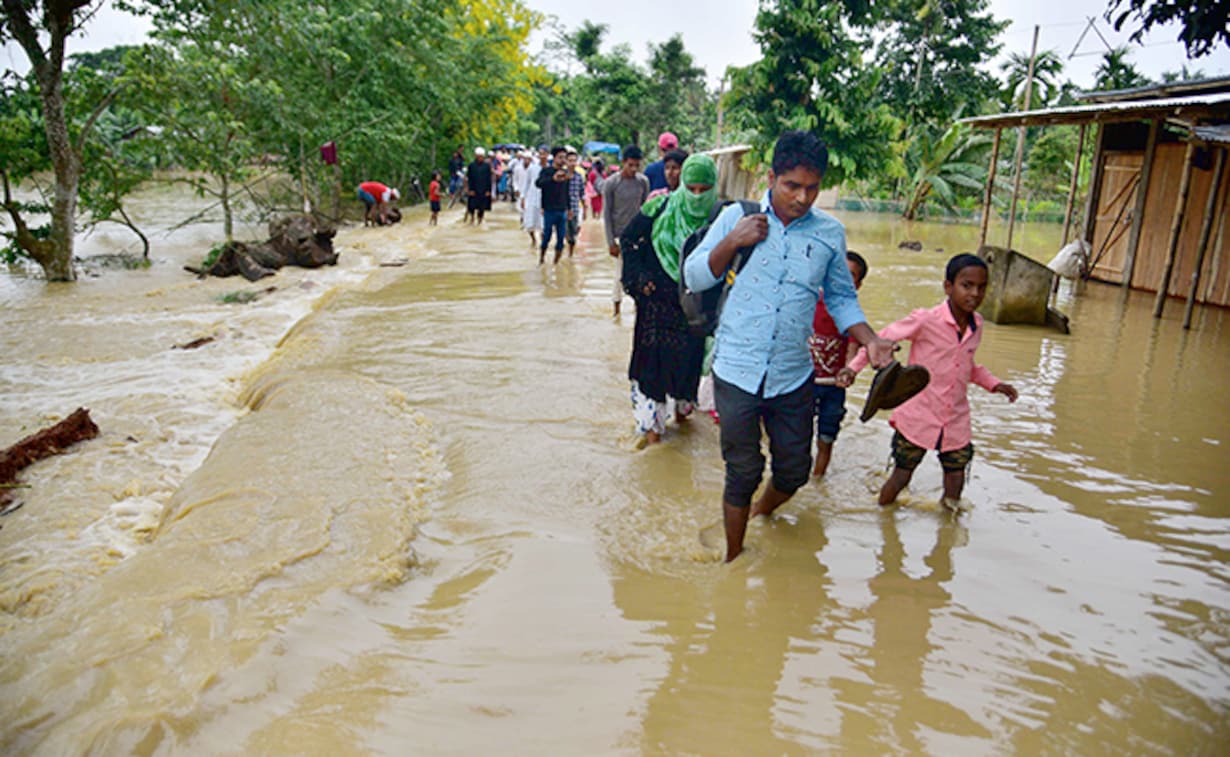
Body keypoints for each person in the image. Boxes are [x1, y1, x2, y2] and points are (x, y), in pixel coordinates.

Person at [682, 130, 895, 562]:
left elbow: (839, 297)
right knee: (742, 470)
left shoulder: (829, 234)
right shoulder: (735, 217)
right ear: (772, 177)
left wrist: (870, 339)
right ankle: (733, 559)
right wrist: (733, 241)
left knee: (795, 470)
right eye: (792, 185)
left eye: (812, 188)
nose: (802, 197)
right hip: (736, 368)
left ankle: (761, 511)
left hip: (792, 373)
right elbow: (694, 276)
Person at [847, 253, 1019, 510]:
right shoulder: (926, 320)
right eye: (966, 285)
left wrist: (994, 384)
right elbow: (878, 341)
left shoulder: (977, 324)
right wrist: (852, 369)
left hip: (955, 420)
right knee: (901, 476)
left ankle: (947, 534)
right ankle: (881, 516)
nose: (974, 293)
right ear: (948, 287)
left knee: (956, 478)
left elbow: (966, 366)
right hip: (919, 416)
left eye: (981, 287)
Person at [620, 154, 718, 445]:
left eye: (704, 189)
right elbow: (628, 240)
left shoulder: (720, 218)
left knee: (686, 368)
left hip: (693, 310)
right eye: (692, 189)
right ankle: (653, 436)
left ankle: (683, 417)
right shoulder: (658, 207)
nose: (697, 196)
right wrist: (640, 281)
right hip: (656, 307)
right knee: (653, 370)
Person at [809, 250, 868, 477]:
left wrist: (849, 371)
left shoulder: (852, 314)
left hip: (833, 387)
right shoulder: (810, 302)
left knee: (826, 437)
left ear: (858, 285)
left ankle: (817, 479)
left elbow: (853, 346)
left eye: (850, 275)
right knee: (796, 434)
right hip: (803, 382)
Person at [602, 145, 649, 317]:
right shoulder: (611, 183)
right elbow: (606, 214)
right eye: (630, 165)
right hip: (620, 236)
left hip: (639, 236)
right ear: (623, 162)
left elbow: (646, 209)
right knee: (619, 275)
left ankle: (639, 309)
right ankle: (616, 311)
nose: (634, 169)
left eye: (637, 165)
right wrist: (610, 242)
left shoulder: (643, 182)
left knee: (640, 273)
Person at [536, 146, 571, 265]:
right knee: (547, 237)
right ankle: (541, 259)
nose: (562, 160)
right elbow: (538, 184)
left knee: (561, 239)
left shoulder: (566, 173)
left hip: (562, 210)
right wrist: (553, 179)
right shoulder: (546, 171)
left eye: (564, 158)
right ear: (554, 158)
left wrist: (569, 208)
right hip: (549, 210)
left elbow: (567, 192)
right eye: (560, 157)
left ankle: (555, 263)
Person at [519, 146, 546, 248]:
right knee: (530, 224)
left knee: (544, 226)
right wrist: (523, 197)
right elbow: (527, 183)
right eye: (540, 154)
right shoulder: (532, 168)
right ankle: (534, 240)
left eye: (544, 154)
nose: (542, 156)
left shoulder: (549, 169)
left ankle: (543, 244)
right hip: (532, 199)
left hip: (545, 201)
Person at [565, 148, 586, 257]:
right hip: (562, 209)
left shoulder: (579, 177)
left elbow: (582, 193)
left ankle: (570, 255)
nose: (572, 163)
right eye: (570, 160)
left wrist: (585, 208)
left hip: (575, 209)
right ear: (566, 161)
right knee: (563, 233)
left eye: (574, 160)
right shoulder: (561, 175)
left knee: (573, 236)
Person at [466, 147, 493, 225]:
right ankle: (472, 218)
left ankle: (480, 219)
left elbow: (489, 179)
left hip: (483, 189)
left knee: (482, 206)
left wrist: (488, 190)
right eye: (478, 156)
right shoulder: (471, 166)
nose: (480, 158)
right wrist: (470, 189)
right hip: (474, 188)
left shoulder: (487, 166)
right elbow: (469, 178)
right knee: (472, 205)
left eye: (481, 156)